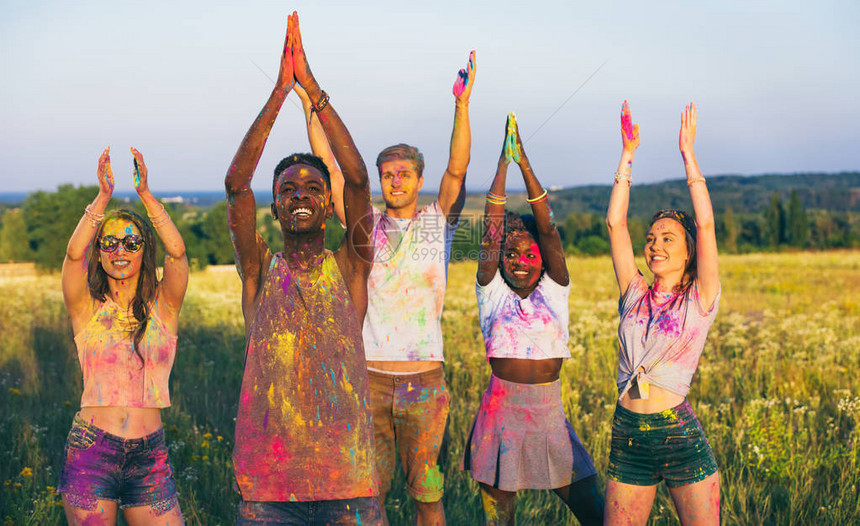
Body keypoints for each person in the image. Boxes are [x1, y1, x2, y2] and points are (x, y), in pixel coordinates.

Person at [295, 49, 476, 525]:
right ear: (379, 180)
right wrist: (308, 106)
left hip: (424, 383)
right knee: (364, 497)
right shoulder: (365, 225)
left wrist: (461, 106)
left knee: (428, 494)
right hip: (368, 378)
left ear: (418, 179)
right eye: (387, 174)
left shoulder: (439, 224)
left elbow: (457, 170)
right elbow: (331, 170)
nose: (395, 181)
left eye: (404, 174)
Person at [224, 12, 381, 525]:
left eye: (313, 188)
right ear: (274, 208)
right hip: (268, 486)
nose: (300, 196)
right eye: (287, 190)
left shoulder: (350, 266)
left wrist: (311, 89)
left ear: (327, 203)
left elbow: (357, 180)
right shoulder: (259, 271)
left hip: (348, 481)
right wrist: (278, 94)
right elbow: (236, 187)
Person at [463, 115, 604, 526]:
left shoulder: (554, 291)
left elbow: (549, 229)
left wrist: (523, 161)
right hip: (499, 415)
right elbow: (491, 232)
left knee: (593, 509)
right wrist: (502, 165)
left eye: (529, 254)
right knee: (499, 519)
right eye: (511, 255)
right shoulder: (491, 293)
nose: (520, 262)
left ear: (543, 258)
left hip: (547, 413)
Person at [604, 101, 720, 525]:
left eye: (668, 238)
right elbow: (616, 224)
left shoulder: (700, 298)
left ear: (689, 252)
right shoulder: (634, 292)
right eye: (651, 238)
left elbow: (706, 226)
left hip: (678, 436)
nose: (655, 244)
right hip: (628, 436)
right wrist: (627, 154)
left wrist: (688, 155)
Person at [59, 147, 188, 525]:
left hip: (150, 457)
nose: (120, 251)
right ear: (98, 254)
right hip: (90, 453)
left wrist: (146, 196)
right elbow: (71, 255)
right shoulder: (87, 309)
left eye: (132, 243)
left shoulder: (164, 308)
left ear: (144, 251)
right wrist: (103, 197)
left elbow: (178, 255)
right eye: (109, 243)